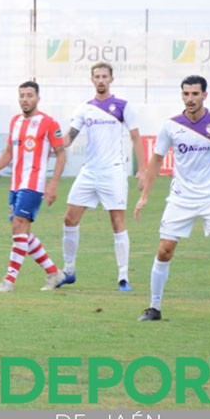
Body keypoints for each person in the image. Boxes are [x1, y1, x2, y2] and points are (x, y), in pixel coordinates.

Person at [134, 75, 210, 325]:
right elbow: (156, 160)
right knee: (164, 251)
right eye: (186, 94)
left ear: (204, 96)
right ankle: (154, 306)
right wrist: (144, 196)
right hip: (181, 199)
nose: (190, 99)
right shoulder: (171, 126)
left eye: (195, 94)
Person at [59, 62, 146, 292]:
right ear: (91, 79)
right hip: (89, 171)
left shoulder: (122, 106)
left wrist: (143, 170)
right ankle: (68, 270)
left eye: (104, 76)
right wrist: (52, 141)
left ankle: (123, 276)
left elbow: (136, 138)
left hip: (114, 172)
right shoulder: (84, 109)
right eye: (96, 76)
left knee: (117, 222)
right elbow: (69, 138)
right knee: (69, 219)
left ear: (111, 79)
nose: (100, 80)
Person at [0, 80, 67, 292]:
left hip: (34, 183)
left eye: (29, 95)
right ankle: (53, 273)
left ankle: (9, 281)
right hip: (16, 184)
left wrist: (53, 184)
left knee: (19, 225)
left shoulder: (49, 123)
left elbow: (61, 154)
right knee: (22, 232)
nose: (25, 99)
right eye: (22, 95)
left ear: (38, 98)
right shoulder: (15, 122)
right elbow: (9, 153)